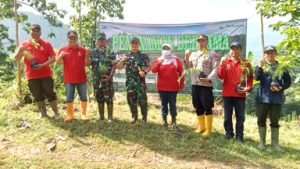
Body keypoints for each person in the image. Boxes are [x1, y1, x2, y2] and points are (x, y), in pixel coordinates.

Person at [14, 23, 60, 119]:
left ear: (40, 32)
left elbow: (53, 58)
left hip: (46, 74)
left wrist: (43, 65)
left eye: (37, 30)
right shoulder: (24, 45)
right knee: (37, 95)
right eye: (33, 30)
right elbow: (17, 59)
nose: (35, 32)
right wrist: (19, 51)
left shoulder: (46, 44)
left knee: (50, 94)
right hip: (31, 75)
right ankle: (43, 114)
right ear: (29, 32)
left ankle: (56, 113)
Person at [255, 45, 291, 151]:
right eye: (267, 53)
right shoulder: (261, 66)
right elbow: (256, 78)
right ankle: (262, 142)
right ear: (264, 55)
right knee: (261, 120)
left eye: (272, 52)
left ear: (276, 53)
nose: (270, 55)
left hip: (276, 99)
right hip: (262, 98)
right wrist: (259, 67)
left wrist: (281, 87)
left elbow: (288, 82)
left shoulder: (282, 67)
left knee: (275, 121)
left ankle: (275, 143)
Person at [184, 34, 220, 137]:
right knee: (197, 106)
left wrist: (209, 78)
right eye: (199, 41)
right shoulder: (193, 55)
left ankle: (208, 130)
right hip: (195, 84)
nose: (201, 43)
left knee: (207, 107)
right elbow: (188, 68)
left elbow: (216, 68)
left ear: (207, 42)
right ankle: (201, 127)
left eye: (203, 41)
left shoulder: (212, 54)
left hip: (205, 85)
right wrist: (186, 57)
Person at [217, 41, 253, 143]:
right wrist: (221, 64)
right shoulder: (226, 62)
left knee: (240, 117)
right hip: (227, 94)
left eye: (237, 49)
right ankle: (229, 134)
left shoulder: (246, 63)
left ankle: (239, 136)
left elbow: (250, 77)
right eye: (232, 49)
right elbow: (220, 76)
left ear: (240, 50)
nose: (234, 51)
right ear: (230, 50)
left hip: (240, 94)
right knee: (227, 116)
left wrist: (248, 87)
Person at [56, 31, 90, 122]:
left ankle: (83, 114)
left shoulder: (82, 50)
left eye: (74, 38)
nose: (72, 40)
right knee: (69, 97)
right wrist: (60, 55)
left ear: (77, 39)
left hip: (81, 78)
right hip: (69, 79)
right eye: (70, 38)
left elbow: (87, 64)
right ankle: (70, 115)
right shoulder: (63, 50)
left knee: (83, 97)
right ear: (67, 39)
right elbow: (57, 61)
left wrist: (87, 54)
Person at [116, 37, 151, 123]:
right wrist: (121, 61)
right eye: (133, 44)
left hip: (140, 82)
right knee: (131, 100)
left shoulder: (143, 56)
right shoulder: (126, 56)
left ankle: (144, 118)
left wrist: (145, 72)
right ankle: (134, 117)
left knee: (142, 100)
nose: (134, 45)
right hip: (130, 83)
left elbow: (149, 66)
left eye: (136, 43)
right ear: (130, 45)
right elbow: (119, 67)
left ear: (139, 45)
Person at [152, 43, 184, 128]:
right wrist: (159, 62)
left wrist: (181, 85)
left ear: (171, 49)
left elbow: (182, 73)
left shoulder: (176, 60)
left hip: (173, 87)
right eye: (164, 48)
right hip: (162, 87)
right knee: (164, 104)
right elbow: (154, 71)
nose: (166, 50)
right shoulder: (159, 59)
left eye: (167, 48)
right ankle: (164, 120)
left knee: (173, 104)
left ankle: (174, 121)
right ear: (162, 50)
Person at [90, 33, 117, 122]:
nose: (101, 41)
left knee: (109, 98)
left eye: (103, 40)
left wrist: (110, 76)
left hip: (107, 79)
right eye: (99, 40)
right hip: (97, 80)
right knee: (99, 97)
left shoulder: (110, 51)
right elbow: (88, 63)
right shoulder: (93, 52)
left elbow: (114, 65)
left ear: (105, 41)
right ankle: (101, 117)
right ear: (97, 41)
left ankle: (110, 117)